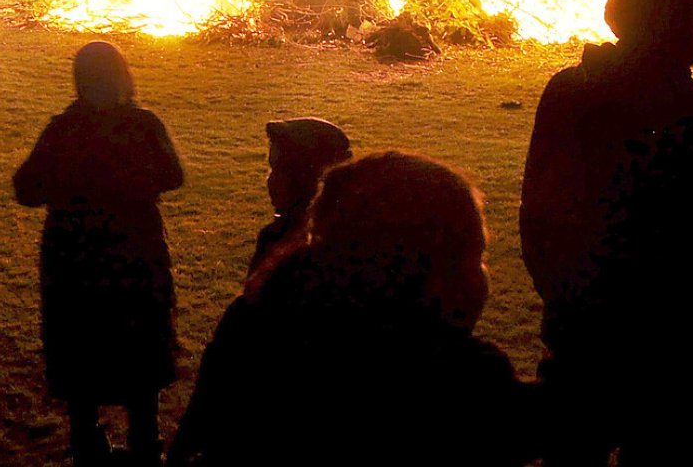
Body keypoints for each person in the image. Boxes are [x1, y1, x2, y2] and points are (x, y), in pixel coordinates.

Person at [519, 0, 693, 466]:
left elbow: (538, 222)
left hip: (581, 348)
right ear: (664, 18)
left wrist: (567, 305)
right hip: (675, 366)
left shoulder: (568, 93)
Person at [170, 151, 537, 466]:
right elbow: (528, 429)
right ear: (437, 273)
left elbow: (195, 435)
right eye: (477, 256)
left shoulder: (254, 322)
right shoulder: (460, 375)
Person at [13, 41, 183, 467]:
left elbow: (26, 188)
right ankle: (145, 444)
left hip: (75, 258)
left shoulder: (63, 129)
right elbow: (173, 175)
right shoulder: (142, 125)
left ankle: (88, 442)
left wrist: (68, 188)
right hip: (133, 254)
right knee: (138, 346)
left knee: (80, 345)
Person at [248, 118, 351, 274]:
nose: (270, 180)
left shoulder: (279, 242)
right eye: (271, 170)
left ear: (311, 180)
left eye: (282, 172)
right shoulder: (355, 233)